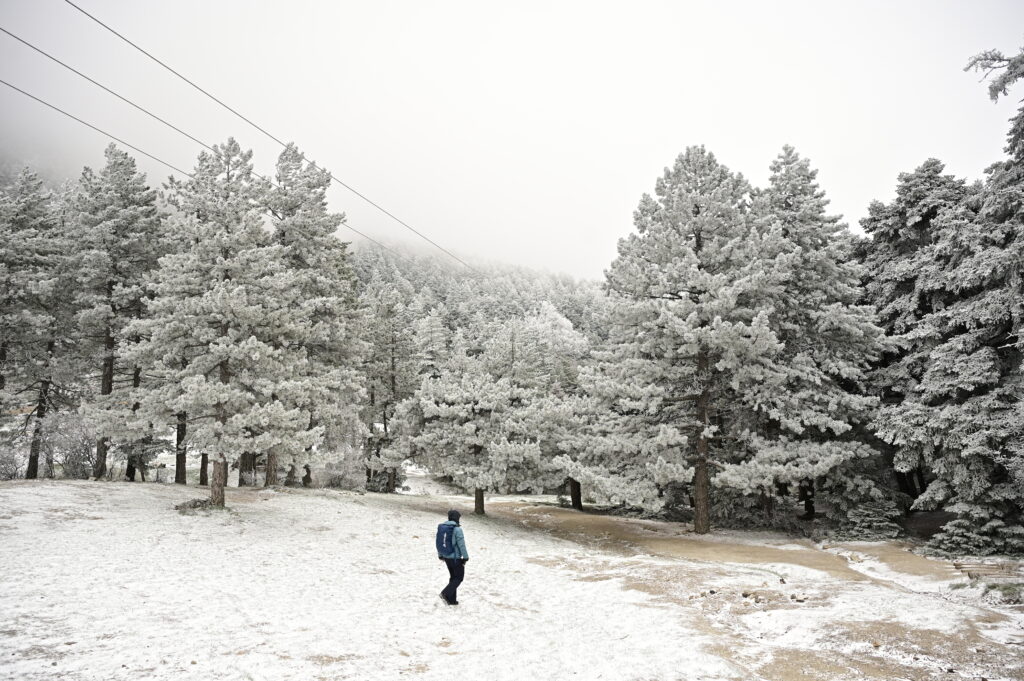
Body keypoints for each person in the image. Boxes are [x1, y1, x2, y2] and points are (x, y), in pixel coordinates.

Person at [437, 509, 469, 605]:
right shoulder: (457, 529)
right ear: (457, 518)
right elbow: (461, 545)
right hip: (455, 558)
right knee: (459, 578)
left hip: (446, 557)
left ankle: (452, 600)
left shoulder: (443, 528)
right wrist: (465, 557)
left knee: (453, 577)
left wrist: (440, 555)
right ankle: (445, 593)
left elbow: (439, 542)